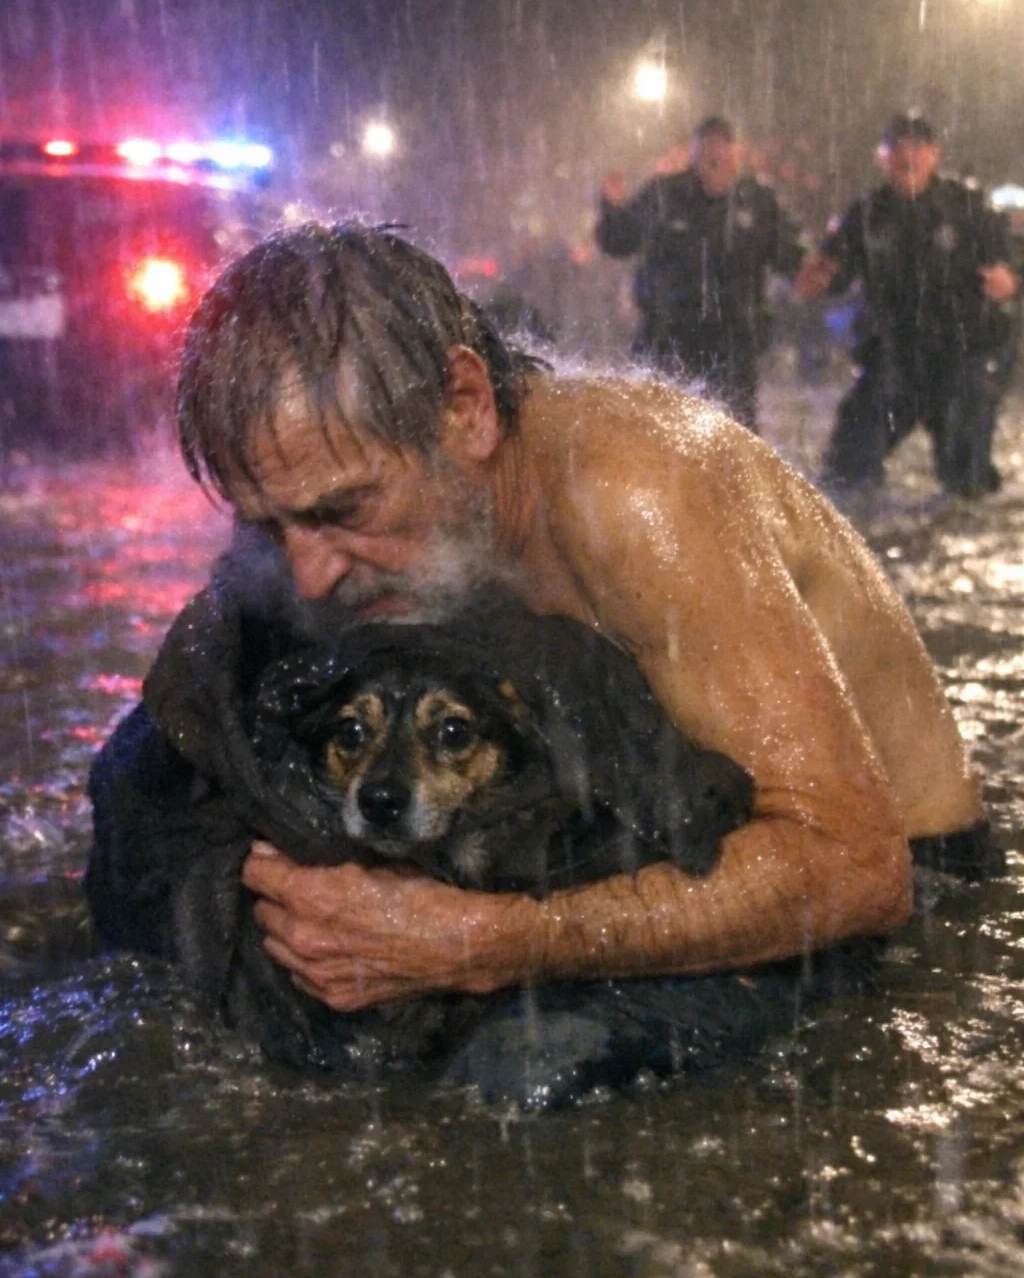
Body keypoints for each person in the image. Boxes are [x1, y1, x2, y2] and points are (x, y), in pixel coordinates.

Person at [88, 223, 993, 1032]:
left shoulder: (640, 494)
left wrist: (485, 942)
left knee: (523, 1076)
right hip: (700, 859)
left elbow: (858, 869)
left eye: (343, 510)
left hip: (906, 905)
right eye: (270, 525)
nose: (309, 573)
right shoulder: (410, 512)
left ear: (466, 407)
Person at [795, 112, 1020, 500]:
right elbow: (833, 270)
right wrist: (818, 279)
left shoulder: (966, 206)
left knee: (967, 480)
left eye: (918, 148)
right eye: (898, 148)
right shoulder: (867, 214)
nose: (907, 157)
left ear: (935, 155)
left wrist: (1012, 281)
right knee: (845, 468)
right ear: (882, 157)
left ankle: (969, 482)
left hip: (961, 355)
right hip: (896, 356)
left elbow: (1014, 258)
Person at [594, 116, 806, 429]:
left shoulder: (758, 201)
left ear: (737, 154)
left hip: (733, 345)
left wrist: (813, 268)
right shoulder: (664, 195)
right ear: (693, 153)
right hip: (668, 340)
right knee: (661, 438)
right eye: (706, 149)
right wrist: (610, 209)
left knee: (732, 442)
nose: (714, 158)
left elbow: (789, 256)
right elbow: (618, 240)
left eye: (723, 149)